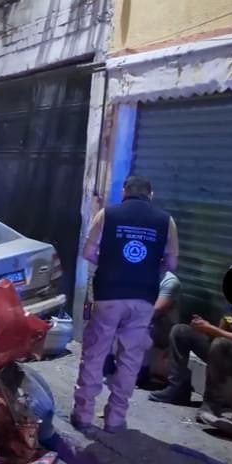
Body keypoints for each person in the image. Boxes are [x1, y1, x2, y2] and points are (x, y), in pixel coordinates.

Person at [71, 175, 178, 433]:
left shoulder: (108, 214)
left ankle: (84, 415)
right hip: (144, 297)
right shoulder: (166, 220)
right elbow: (172, 264)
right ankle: (115, 419)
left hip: (109, 294)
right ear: (151, 194)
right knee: (130, 358)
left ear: (124, 192)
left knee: (95, 353)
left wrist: (109, 262)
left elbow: (87, 253)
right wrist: (150, 270)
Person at [149, 292, 232, 418]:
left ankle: (211, 405)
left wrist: (211, 329)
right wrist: (204, 328)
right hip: (229, 354)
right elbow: (222, 331)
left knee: (220, 344)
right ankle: (178, 389)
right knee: (180, 331)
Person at [104, 270, 181, 386]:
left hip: (162, 327)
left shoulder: (170, 282)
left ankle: (141, 373)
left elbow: (157, 310)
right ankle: (108, 365)